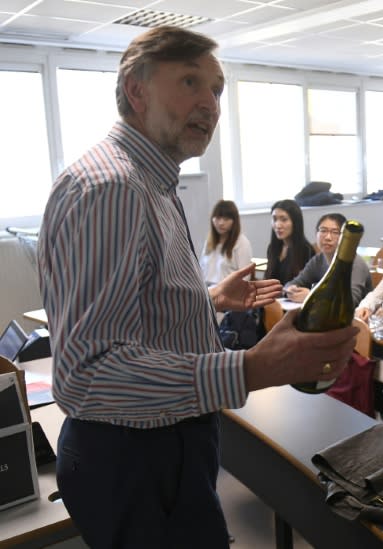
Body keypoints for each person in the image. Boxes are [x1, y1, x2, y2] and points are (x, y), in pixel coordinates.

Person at [36, 27, 357, 549]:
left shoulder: (151, 180)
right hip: (136, 454)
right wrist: (251, 366)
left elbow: (128, 311)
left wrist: (201, 301)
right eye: (190, 82)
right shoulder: (115, 187)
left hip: (159, 443)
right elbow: (87, 374)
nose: (210, 104)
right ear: (136, 91)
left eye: (216, 89)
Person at [284, 213, 372, 307]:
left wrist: (312, 296)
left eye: (335, 232)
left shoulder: (355, 263)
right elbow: (294, 282)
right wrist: (290, 290)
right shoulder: (318, 260)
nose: (327, 237)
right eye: (323, 231)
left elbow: (351, 301)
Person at [199, 199, 252, 286]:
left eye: (226, 219)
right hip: (207, 291)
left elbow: (245, 277)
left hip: (229, 292)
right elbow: (201, 270)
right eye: (218, 218)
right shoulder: (209, 241)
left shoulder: (242, 243)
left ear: (234, 221)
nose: (221, 223)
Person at [265, 198, 315, 284]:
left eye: (284, 219)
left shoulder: (306, 250)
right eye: (274, 219)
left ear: (295, 222)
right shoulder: (273, 247)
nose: (278, 225)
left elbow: (306, 285)